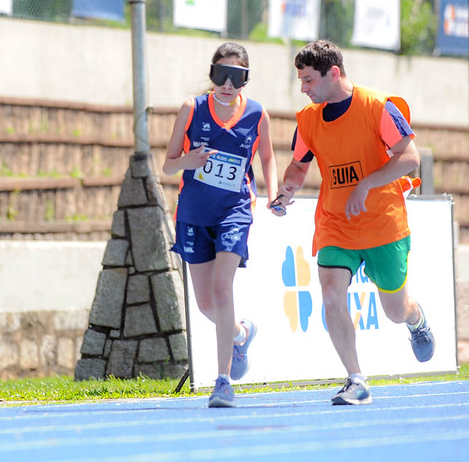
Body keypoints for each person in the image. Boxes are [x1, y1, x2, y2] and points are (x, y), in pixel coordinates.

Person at [270, 40, 435, 406]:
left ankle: (415, 317)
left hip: (382, 224)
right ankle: (356, 379)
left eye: (309, 80)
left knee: (394, 311)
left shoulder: (378, 107)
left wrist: (366, 183)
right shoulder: (309, 120)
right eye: (300, 80)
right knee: (330, 295)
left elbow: (409, 157)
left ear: (333, 73)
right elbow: (299, 165)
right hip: (336, 224)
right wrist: (288, 189)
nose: (303, 88)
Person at [163, 42, 279, 408]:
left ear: (246, 79)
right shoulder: (191, 109)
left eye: (237, 77)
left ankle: (223, 381)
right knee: (205, 304)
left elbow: (268, 158)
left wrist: (274, 193)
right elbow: (167, 166)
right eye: (221, 75)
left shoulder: (258, 115)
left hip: (235, 209)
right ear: (211, 73)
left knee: (222, 288)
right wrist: (189, 159)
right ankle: (241, 333)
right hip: (195, 213)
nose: (228, 84)